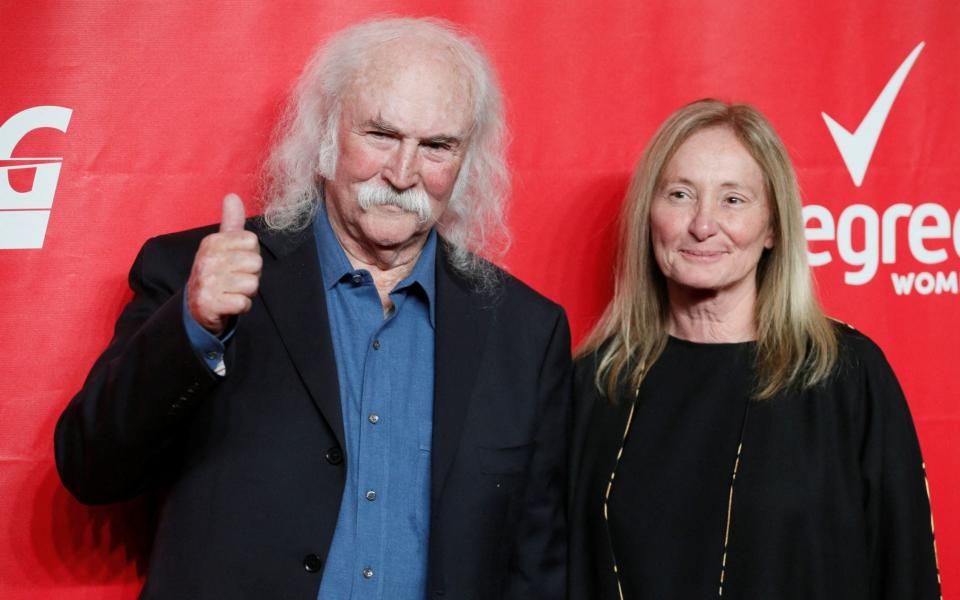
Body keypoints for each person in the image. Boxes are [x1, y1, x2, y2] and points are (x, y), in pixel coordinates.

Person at [55, 18, 570, 600]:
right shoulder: (195, 275)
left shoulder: (527, 332)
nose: (403, 174)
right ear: (326, 132)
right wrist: (192, 328)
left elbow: (536, 562)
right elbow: (90, 469)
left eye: (436, 147)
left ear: (467, 159)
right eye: (380, 134)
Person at [568, 99, 941, 599]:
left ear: (772, 228)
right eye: (680, 194)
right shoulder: (595, 384)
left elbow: (906, 572)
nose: (702, 224)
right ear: (648, 215)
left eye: (733, 200)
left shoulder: (847, 374)